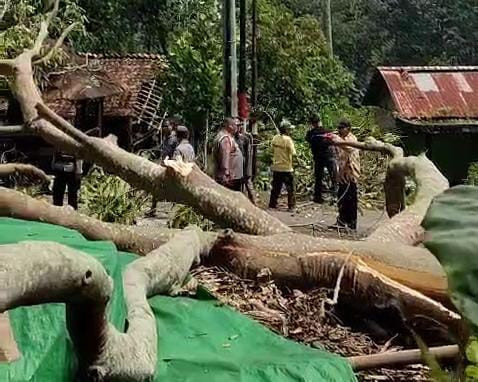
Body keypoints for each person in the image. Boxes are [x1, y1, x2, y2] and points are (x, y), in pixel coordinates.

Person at [332, 119, 361, 230]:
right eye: (339, 128)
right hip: (343, 173)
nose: (339, 130)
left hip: (351, 173)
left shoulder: (352, 139)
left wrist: (335, 139)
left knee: (351, 200)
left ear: (348, 129)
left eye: (342, 128)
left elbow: (348, 148)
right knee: (341, 198)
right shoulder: (340, 138)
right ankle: (341, 221)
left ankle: (352, 223)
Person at [306, 114, 337, 204]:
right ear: (319, 122)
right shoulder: (327, 131)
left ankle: (318, 197)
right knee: (333, 177)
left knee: (318, 178)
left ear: (312, 123)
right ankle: (335, 196)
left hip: (318, 158)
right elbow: (333, 141)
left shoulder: (311, 134)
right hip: (329, 156)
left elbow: (307, 139)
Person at [269, 120, 296, 211]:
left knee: (276, 187)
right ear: (286, 130)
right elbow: (293, 154)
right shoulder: (288, 140)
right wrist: (297, 163)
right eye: (289, 129)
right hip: (287, 168)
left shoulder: (275, 138)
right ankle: (291, 206)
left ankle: (272, 204)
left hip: (276, 167)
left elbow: (272, 151)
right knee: (290, 189)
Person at [213, 117, 244, 191]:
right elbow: (225, 157)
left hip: (232, 176)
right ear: (230, 126)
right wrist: (226, 173)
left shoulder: (227, 137)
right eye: (236, 125)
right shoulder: (225, 139)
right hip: (229, 178)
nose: (237, 127)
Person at [234, 118, 256, 204]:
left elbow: (249, 155)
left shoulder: (245, 138)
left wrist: (247, 170)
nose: (237, 128)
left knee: (249, 186)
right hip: (235, 168)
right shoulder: (230, 139)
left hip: (244, 166)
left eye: (239, 126)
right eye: (236, 126)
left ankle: (254, 205)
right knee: (237, 188)